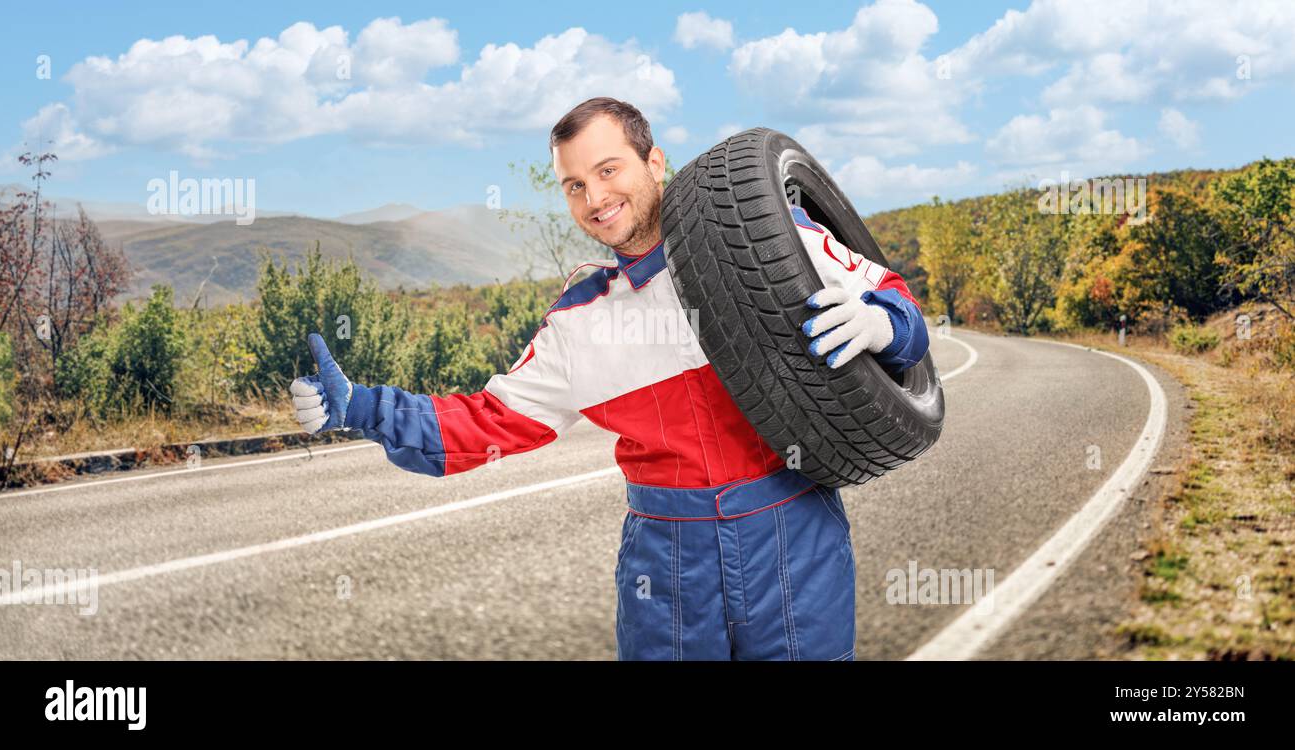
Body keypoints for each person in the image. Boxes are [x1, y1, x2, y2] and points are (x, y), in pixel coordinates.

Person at [290, 97, 929, 660]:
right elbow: (487, 420)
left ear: (653, 164)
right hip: (668, 561)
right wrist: (363, 408)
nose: (594, 199)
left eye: (607, 170)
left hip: (793, 534)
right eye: (573, 186)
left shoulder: (771, 241)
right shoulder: (577, 321)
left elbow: (899, 305)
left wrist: (880, 325)